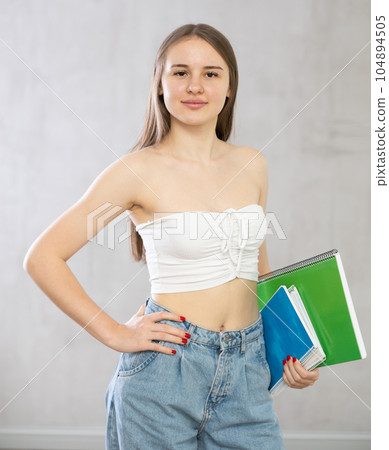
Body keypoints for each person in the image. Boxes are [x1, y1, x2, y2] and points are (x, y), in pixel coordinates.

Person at [24, 23, 319, 450]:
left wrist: (294, 354)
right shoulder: (137, 171)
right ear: (159, 86)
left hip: (247, 373)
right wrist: (115, 334)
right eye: (180, 72)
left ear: (230, 86)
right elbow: (43, 257)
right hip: (165, 372)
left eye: (211, 73)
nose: (195, 85)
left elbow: (261, 271)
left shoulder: (252, 164)